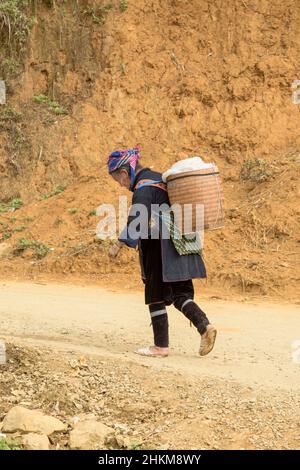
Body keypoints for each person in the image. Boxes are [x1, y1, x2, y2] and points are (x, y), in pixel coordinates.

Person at [107, 147, 217, 357]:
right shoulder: (161, 179)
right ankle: (205, 327)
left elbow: (137, 221)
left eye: (118, 180)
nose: (121, 185)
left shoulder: (143, 187)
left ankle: (160, 346)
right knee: (180, 294)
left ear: (124, 172)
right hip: (183, 241)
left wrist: (118, 245)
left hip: (159, 246)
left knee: (155, 294)